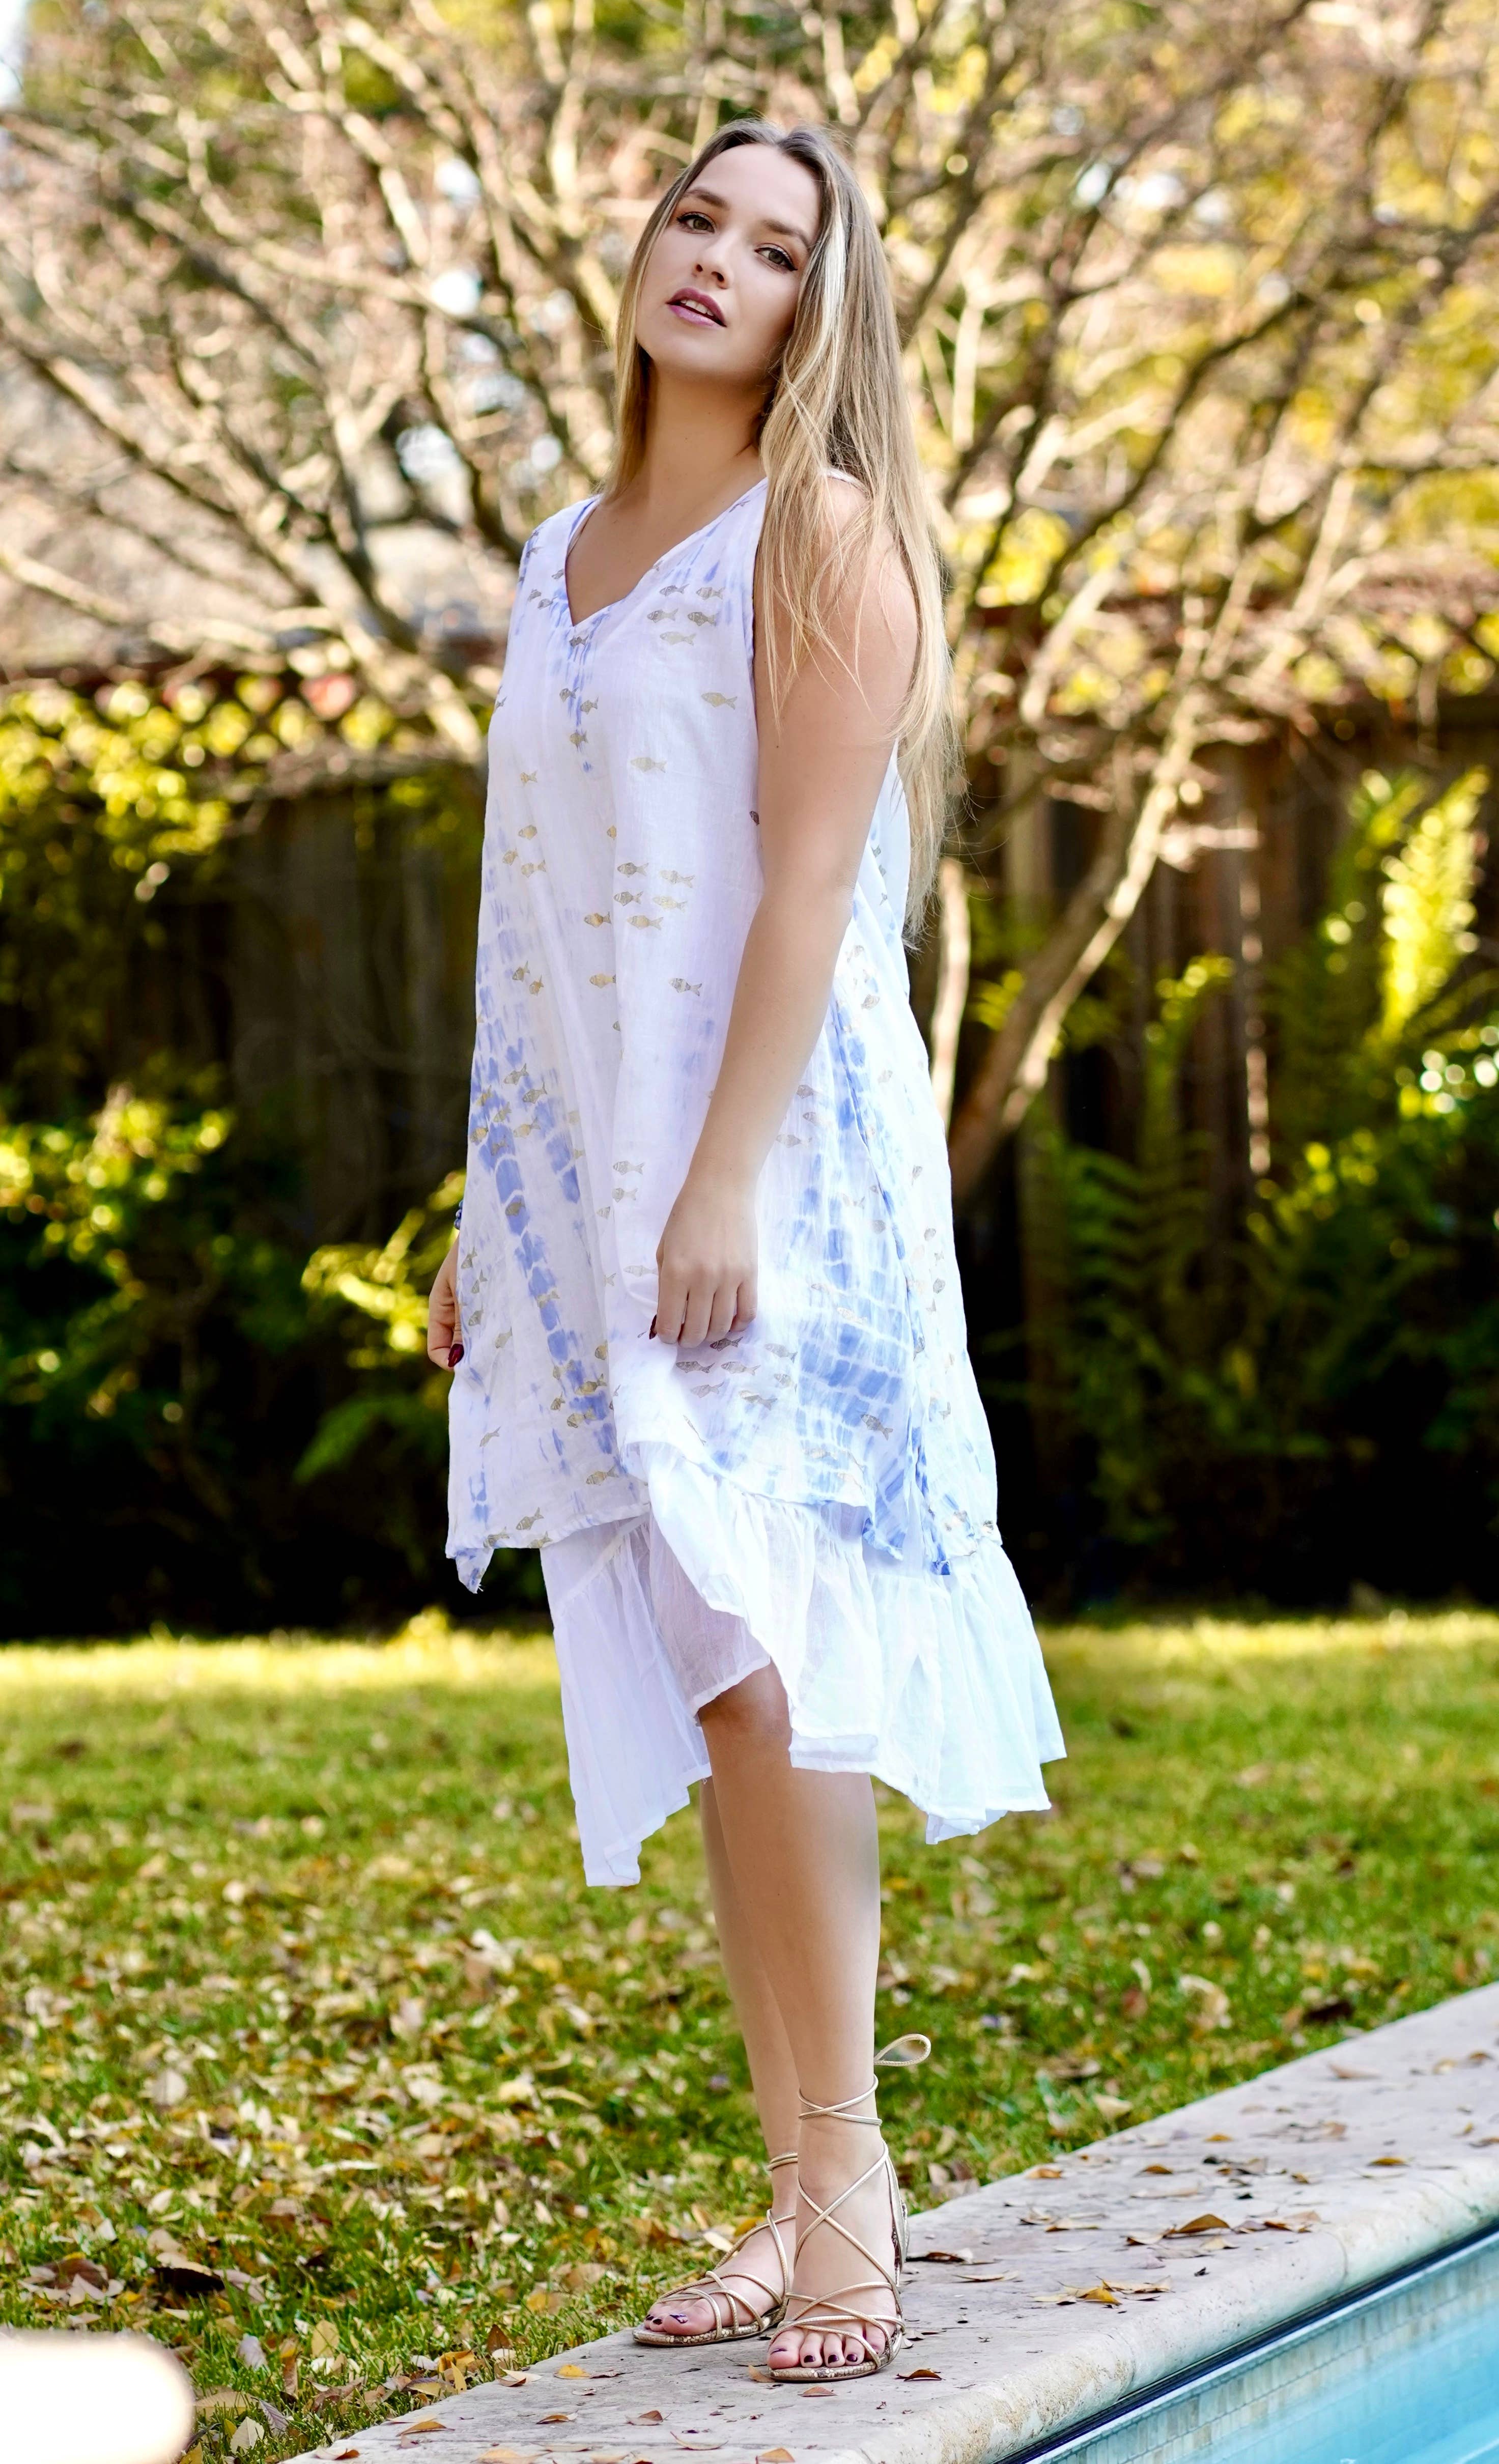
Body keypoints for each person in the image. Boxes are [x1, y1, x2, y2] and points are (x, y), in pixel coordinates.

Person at [427, 118, 1064, 2385]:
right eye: (695, 217)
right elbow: (531, 933)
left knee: (773, 1666)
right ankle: (796, 2189)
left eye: (776, 247)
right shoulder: (555, 557)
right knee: (718, 1682)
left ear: (820, 308)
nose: (716, 260)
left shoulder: (823, 533)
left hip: (778, 1175)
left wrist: (715, 1183)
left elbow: (804, 891)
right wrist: (491, 1219)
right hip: (599, 1178)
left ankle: (852, 2182)